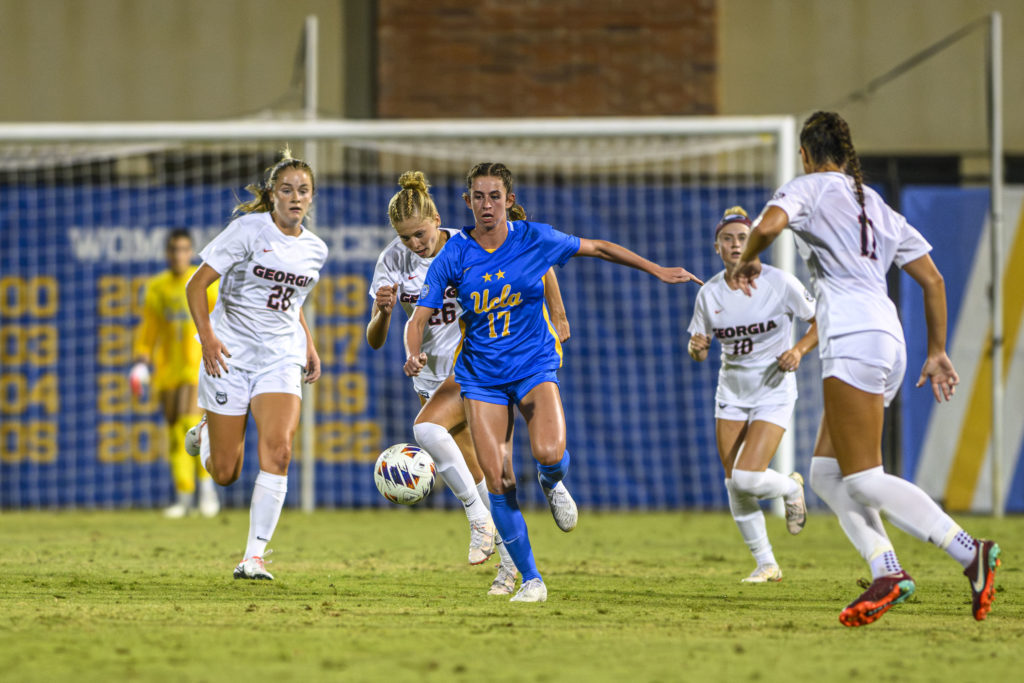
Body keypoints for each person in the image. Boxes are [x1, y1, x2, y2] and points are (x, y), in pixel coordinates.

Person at [735, 111, 1000, 626]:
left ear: (806, 155)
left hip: (853, 339)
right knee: (825, 473)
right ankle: (887, 570)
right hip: (888, 338)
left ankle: (970, 551)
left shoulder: (808, 187)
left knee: (864, 479)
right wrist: (937, 351)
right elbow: (934, 280)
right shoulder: (874, 203)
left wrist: (748, 257)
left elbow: (767, 226)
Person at [404, 162, 702, 602]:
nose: (487, 205)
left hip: (532, 365)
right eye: (479, 197)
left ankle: (552, 480)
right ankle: (531, 579)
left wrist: (655, 269)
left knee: (549, 453)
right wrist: (413, 353)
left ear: (508, 199)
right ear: (467, 202)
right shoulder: (455, 254)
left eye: (495, 196)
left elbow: (599, 248)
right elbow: (418, 319)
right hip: (482, 377)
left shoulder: (534, 237)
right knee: (499, 480)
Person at [368, 170, 572, 595]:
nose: (415, 244)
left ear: (437, 220)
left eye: (420, 234)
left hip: (476, 368)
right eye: (405, 238)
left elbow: (539, 263)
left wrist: (558, 313)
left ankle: (501, 513)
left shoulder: (467, 245)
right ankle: (510, 566)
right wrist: (384, 313)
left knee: (445, 444)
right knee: (487, 477)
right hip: (430, 380)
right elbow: (374, 339)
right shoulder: (392, 261)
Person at [183, 148, 327, 581]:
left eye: (303, 190)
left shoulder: (315, 250)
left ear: (312, 197)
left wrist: (308, 344)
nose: (295, 197)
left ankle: (254, 556)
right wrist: (208, 339)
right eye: (287, 189)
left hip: (280, 358)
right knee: (225, 473)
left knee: (280, 450)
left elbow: (291, 303)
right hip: (229, 355)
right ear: (272, 194)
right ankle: (207, 434)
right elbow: (195, 286)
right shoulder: (247, 231)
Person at [687, 206, 818, 583]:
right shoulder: (709, 293)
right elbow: (698, 350)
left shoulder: (781, 283)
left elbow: (821, 321)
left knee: (746, 477)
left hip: (773, 391)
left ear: (756, 242)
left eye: (743, 238)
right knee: (734, 482)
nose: (735, 244)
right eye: (727, 239)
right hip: (731, 393)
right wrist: (697, 349)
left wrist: (798, 351)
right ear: (716, 247)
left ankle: (790, 487)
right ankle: (766, 564)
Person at [130, 229, 220, 518]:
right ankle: (184, 496)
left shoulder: (203, 282)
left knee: (189, 424)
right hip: (167, 369)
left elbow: (222, 318)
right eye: (173, 250)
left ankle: (207, 491)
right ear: (167, 253)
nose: (178, 255)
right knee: (173, 433)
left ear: (190, 252)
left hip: (198, 365)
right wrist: (141, 362)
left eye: (183, 249)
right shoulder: (157, 287)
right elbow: (149, 329)